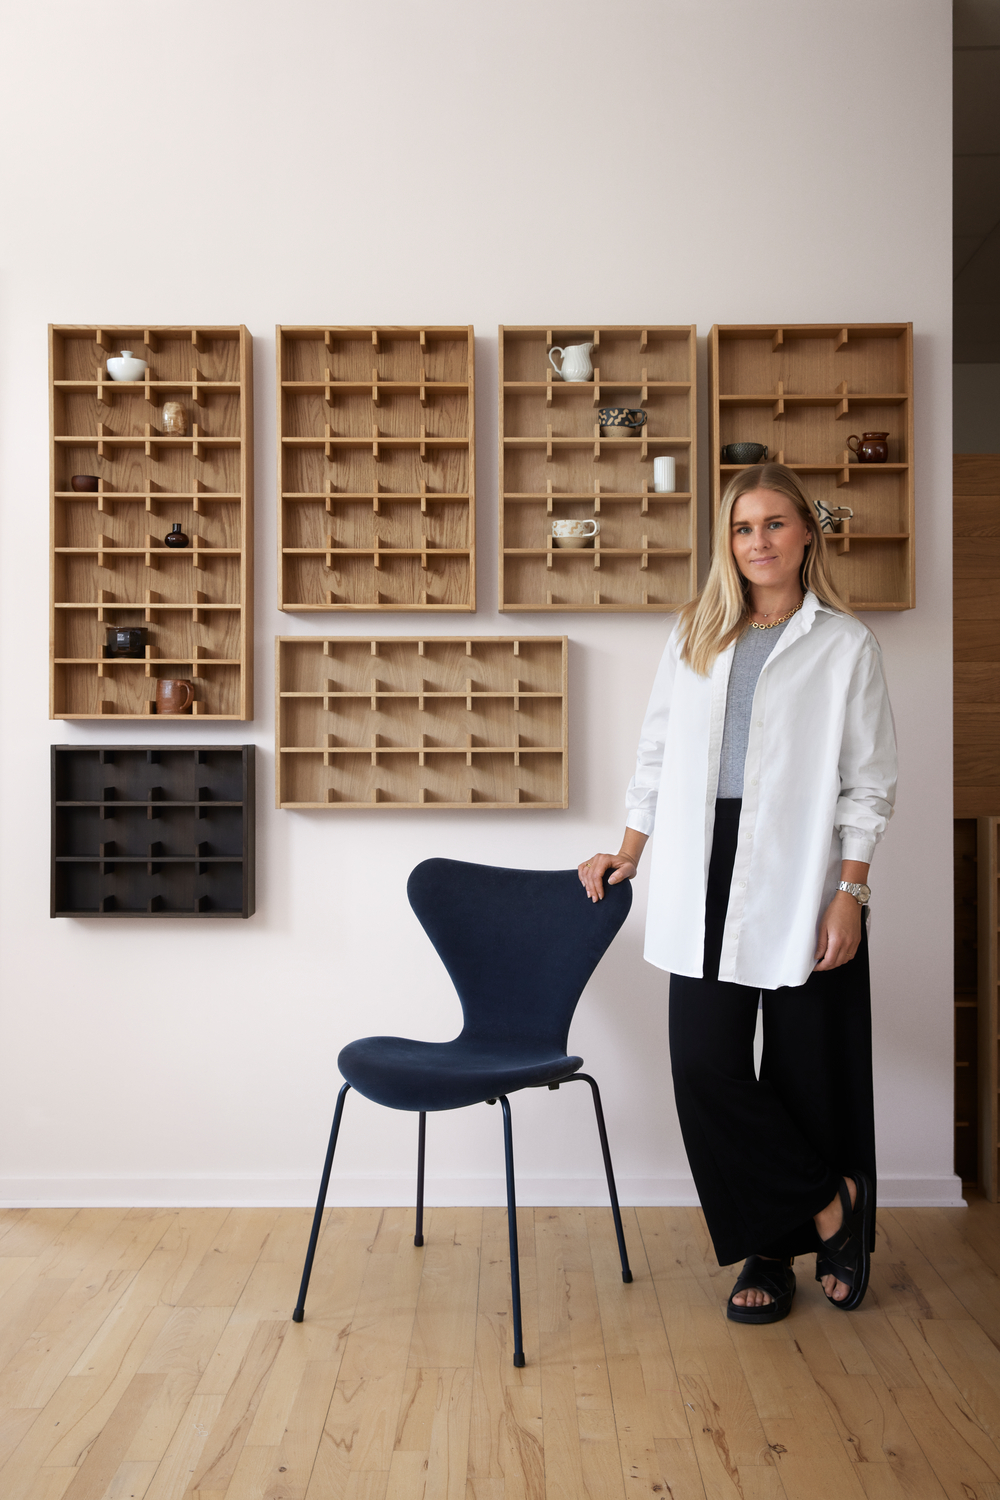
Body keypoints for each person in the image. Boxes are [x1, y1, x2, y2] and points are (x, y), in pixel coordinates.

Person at [578, 463, 896, 1323]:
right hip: (700, 863)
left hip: (803, 869)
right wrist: (629, 853)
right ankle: (830, 1207)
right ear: (728, 541)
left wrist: (849, 894)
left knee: (804, 1071)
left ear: (806, 535)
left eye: (775, 525)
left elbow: (867, 783)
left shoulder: (845, 645)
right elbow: (655, 757)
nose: (758, 542)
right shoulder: (694, 634)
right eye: (743, 528)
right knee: (706, 1066)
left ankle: (768, 1250)